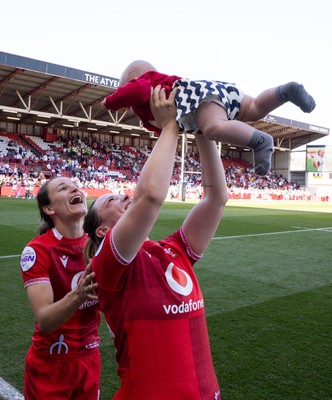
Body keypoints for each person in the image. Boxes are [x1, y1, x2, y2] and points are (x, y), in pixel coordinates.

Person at [84, 85, 228, 399]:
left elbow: (217, 198)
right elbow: (149, 197)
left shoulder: (174, 250)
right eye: (108, 199)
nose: (122, 194)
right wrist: (170, 125)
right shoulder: (107, 265)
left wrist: (203, 130)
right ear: (100, 232)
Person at [102, 59, 316, 176]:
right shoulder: (150, 108)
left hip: (198, 100)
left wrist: (110, 101)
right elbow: (169, 131)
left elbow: (134, 91)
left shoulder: (146, 85)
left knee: (213, 128)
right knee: (255, 107)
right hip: (218, 92)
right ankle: (286, 91)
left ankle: (261, 141)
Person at [20, 176, 101, 400]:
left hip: (89, 357)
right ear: (49, 208)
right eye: (63, 188)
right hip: (51, 363)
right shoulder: (37, 251)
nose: (75, 187)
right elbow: (45, 320)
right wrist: (79, 294)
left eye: (75, 185)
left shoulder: (98, 246)